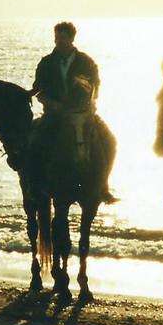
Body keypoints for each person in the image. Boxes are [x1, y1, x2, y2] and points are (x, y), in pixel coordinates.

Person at [27, 21, 114, 202]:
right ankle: (35, 186)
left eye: (63, 38)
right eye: (57, 38)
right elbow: (39, 92)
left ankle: (103, 185)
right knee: (36, 143)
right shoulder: (47, 63)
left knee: (110, 141)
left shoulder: (86, 62)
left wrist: (86, 105)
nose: (59, 41)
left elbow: (95, 88)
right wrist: (53, 104)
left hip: (82, 114)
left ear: (72, 39)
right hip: (54, 115)